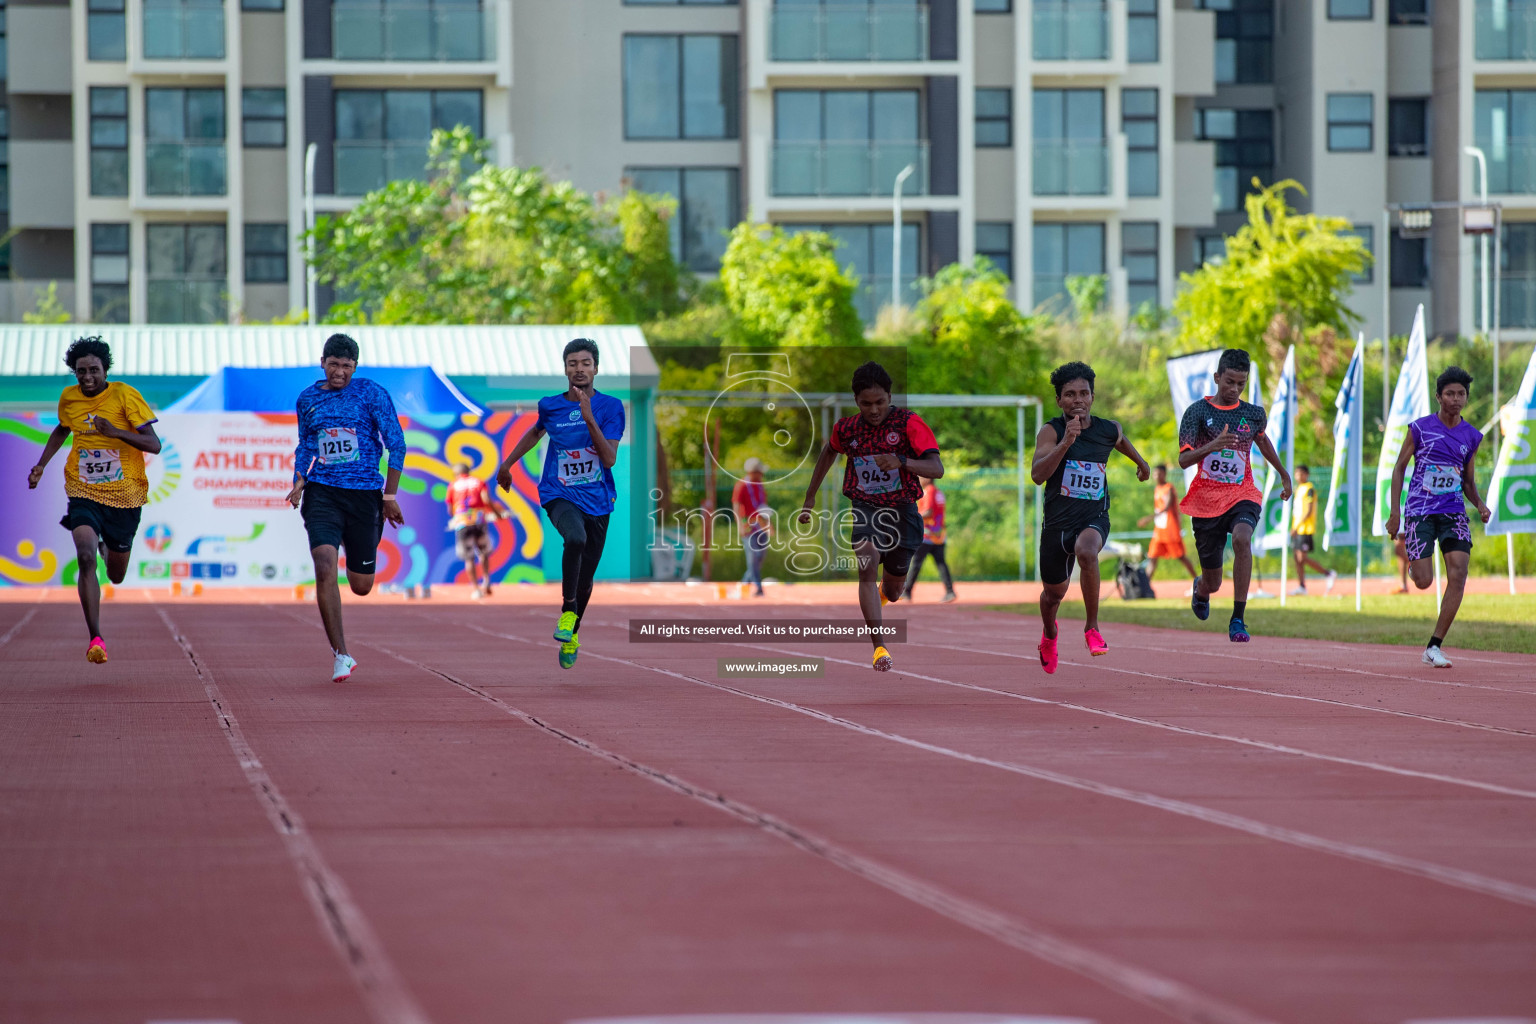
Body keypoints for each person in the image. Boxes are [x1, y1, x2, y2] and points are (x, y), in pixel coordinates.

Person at [798, 361, 943, 672]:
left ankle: (882, 596)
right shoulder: (846, 429)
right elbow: (828, 452)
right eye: (866, 403)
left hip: (903, 510)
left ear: (890, 397)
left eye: (880, 402)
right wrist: (810, 497)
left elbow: (936, 469)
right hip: (865, 508)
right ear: (856, 402)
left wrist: (901, 461)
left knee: (892, 590)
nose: (874, 410)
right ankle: (879, 646)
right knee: (865, 563)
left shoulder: (909, 424)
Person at [26, 337, 162, 663]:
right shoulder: (69, 398)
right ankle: (95, 637)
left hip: (125, 495)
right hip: (82, 488)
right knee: (85, 557)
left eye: (94, 371)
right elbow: (62, 429)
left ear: (105, 370)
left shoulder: (125, 395)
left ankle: (108, 546)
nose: (87, 378)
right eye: (80, 371)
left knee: (116, 575)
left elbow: (153, 444)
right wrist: (42, 465)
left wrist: (116, 432)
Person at [497, 338, 625, 670]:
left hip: (598, 501)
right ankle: (568, 610)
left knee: (586, 579)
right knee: (575, 539)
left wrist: (588, 418)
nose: (579, 369)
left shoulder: (611, 408)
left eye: (585, 363)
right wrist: (506, 465)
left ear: (596, 368)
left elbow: (609, 459)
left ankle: (573, 630)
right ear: (565, 368)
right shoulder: (550, 405)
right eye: (572, 364)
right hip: (559, 493)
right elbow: (536, 432)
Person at [286, 334, 407, 682]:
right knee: (324, 565)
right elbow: (307, 444)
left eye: (347, 366)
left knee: (361, 585)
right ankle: (341, 654)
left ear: (355, 367)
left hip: (365, 497)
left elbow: (396, 444)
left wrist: (388, 497)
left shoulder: (371, 393)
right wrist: (299, 478)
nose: (340, 372)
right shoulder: (308, 399)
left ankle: (361, 560)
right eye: (334, 364)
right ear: (323, 363)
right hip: (322, 492)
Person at [1032, 362, 1151, 673]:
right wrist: (1065, 444)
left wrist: (1142, 463)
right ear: (1059, 400)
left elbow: (1120, 439)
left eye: (1084, 393)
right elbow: (1037, 475)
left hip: (1094, 517)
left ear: (1093, 397)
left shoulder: (1105, 429)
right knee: (1053, 594)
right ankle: (1050, 633)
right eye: (1070, 394)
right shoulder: (1051, 431)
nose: (1078, 400)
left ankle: (1092, 628)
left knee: (1087, 551)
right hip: (1057, 525)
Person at [1178, 348, 1292, 643]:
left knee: (1242, 537)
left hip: (1243, 492)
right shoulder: (1197, 413)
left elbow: (1263, 442)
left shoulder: (1253, 414)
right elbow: (1184, 460)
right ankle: (1200, 589)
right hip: (1206, 498)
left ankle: (1238, 619)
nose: (1235, 389)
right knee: (1213, 582)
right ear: (1217, 377)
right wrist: (1212, 446)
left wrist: (1282, 472)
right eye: (1229, 382)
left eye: (1241, 383)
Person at [1384, 365, 1490, 668]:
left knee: (1459, 573)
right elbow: (1399, 468)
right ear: (1438, 397)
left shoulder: (1472, 436)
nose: (1456, 399)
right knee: (1423, 581)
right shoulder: (1420, 428)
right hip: (1419, 512)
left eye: (1461, 394)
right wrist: (1395, 513)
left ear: (1466, 398)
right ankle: (1414, 568)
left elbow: (1468, 482)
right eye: (1450, 394)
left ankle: (1434, 645)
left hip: (1453, 512)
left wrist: (1480, 504)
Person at [446, 462, 508, 598]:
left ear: (456, 474)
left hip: (463, 523)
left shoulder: (453, 485)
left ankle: (476, 589)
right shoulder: (478, 482)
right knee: (483, 553)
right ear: (469, 471)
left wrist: (457, 516)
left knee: (469, 558)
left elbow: (450, 510)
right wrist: (497, 514)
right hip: (480, 521)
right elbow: (486, 500)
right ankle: (486, 581)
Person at [1137, 464, 1198, 591]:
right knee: (1152, 557)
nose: (1156, 476)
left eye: (1158, 473)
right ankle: (1145, 588)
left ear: (1164, 474)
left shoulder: (1169, 488)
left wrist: (1148, 518)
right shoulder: (1157, 488)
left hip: (1170, 528)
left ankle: (1198, 582)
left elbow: (1166, 507)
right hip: (1159, 529)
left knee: (1181, 556)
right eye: (1154, 473)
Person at [903, 476, 956, 603]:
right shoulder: (939, 492)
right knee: (941, 563)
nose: (919, 479)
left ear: (928, 478)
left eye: (921, 476)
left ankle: (907, 593)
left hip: (927, 535)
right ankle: (950, 592)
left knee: (916, 563)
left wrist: (911, 517)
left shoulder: (929, 491)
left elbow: (928, 512)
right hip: (939, 535)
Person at [1288, 465, 1337, 595]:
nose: (1298, 475)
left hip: (1305, 529)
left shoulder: (1309, 489)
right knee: (1297, 558)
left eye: (1301, 473)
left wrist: (1296, 527)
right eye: (1296, 473)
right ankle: (1302, 586)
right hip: (1298, 530)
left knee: (1302, 558)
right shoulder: (1298, 489)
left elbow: (1308, 511)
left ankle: (1328, 573)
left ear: (1306, 474)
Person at [732, 458, 770, 598]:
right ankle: (758, 587)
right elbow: (736, 506)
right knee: (753, 557)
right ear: (752, 472)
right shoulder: (741, 485)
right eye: (759, 473)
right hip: (748, 526)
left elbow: (763, 505)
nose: (761, 475)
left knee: (761, 556)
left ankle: (744, 584)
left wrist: (768, 524)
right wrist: (739, 525)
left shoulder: (760, 485)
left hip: (760, 525)